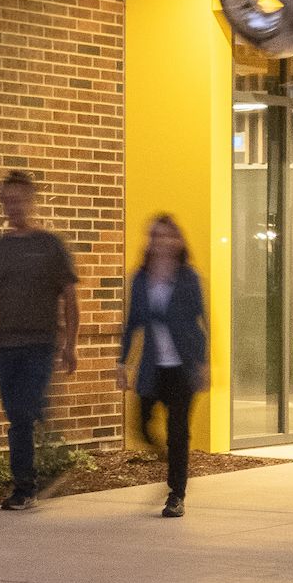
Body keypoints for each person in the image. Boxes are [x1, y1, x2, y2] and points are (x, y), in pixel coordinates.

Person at [0, 167, 79, 506]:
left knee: (27, 411)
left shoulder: (50, 246)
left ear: (31, 201)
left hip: (41, 344)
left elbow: (70, 296)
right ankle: (29, 484)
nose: (13, 207)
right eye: (6, 201)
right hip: (7, 346)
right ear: (1, 204)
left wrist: (71, 344)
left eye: (19, 200)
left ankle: (27, 486)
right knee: (18, 416)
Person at [115, 211, 208, 516]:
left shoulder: (188, 278)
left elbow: (200, 322)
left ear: (178, 241)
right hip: (153, 366)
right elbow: (132, 324)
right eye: (156, 235)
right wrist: (123, 363)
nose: (161, 241)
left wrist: (203, 364)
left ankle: (176, 494)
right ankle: (170, 460)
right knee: (141, 427)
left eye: (167, 235)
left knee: (178, 432)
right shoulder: (140, 279)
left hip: (183, 366)